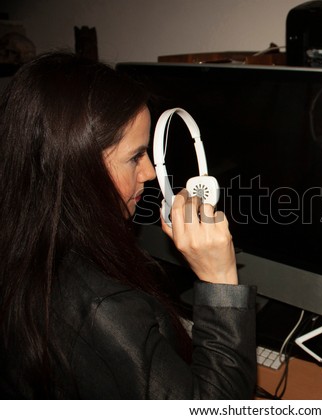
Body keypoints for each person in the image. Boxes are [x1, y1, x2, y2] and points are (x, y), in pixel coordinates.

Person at [0, 52, 256, 399]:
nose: (150, 173)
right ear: (76, 167)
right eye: (135, 156)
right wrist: (220, 279)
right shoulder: (104, 307)